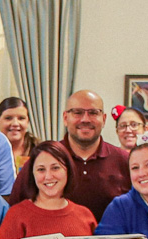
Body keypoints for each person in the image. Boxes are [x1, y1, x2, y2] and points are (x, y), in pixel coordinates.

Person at [0, 141, 97, 239]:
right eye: (41, 169)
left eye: (55, 168)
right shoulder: (15, 216)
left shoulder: (85, 215)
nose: (48, 176)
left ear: (68, 170)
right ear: (32, 174)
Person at [55, 89, 129, 217]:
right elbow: (21, 205)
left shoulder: (124, 160)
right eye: (77, 112)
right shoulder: (46, 158)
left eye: (93, 113)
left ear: (104, 119)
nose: (85, 119)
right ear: (65, 118)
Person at [0, 97, 34, 171]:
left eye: (21, 118)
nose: (15, 123)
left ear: (28, 122)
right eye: (8, 118)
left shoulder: (39, 151)